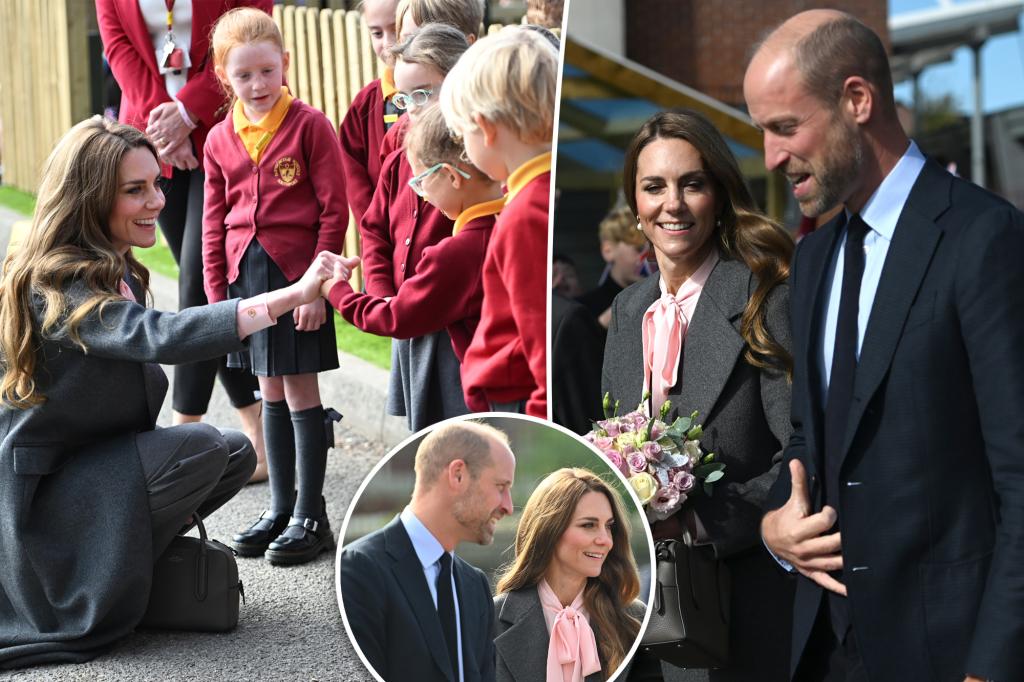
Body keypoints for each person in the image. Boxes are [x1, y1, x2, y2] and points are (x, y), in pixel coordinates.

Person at [0, 117, 350, 668]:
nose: (158, 201)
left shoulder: (122, 270)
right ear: (90, 197)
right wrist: (290, 296)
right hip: (44, 507)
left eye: (157, 184)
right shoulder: (61, 281)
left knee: (234, 453)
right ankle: (86, 575)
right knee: (205, 446)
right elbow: (161, 336)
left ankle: (120, 564)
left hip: (91, 473)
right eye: (135, 190)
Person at [745, 11, 1024, 682]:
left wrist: (991, 668)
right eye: (762, 132)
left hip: (948, 655)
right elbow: (807, 439)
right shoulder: (811, 261)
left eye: (785, 127)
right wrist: (775, 529)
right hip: (824, 652)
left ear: (858, 101)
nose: (770, 158)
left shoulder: (984, 240)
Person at [601, 110, 795, 681]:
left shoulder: (766, 297)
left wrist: (697, 526)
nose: (673, 204)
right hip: (641, 611)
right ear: (634, 205)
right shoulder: (628, 310)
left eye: (693, 183)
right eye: (654, 186)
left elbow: (799, 458)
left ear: (719, 193)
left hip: (741, 604)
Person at [96, 1, 270, 481]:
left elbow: (253, 29)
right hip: (152, 144)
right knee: (208, 284)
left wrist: (188, 113)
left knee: (199, 278)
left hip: (225, 129)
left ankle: (179, 435)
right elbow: (119, 47)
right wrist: (163, 127)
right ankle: (258, 430)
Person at [201, 8, 349, 565]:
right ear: (224, 76)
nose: (258, 85)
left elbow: (335, 213)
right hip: (248, 283)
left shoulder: (310, 126)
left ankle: (312, 513)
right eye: (245, 76)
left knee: (301, 390)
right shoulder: (219, 138)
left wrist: (316, 289)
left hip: (299, 276)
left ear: (285, 63)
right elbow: (214, 225)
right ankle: (281, 508)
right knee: (270, 392)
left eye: (268, 71)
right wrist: (221, 303)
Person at [323, 104, 502, 368]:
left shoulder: (457, 253)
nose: (423, 194)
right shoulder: (513, 221)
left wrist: (335, 290)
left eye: (420, 182)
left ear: (451, 175)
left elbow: (394, 317)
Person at [360, 20, 475, 431]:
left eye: (425, 93)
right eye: (405, 98)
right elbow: (373, 228)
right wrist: (381, 294)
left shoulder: (473, 162)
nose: (414, 108)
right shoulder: (397, 158)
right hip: (405, 314)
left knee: (455, 424)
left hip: (449, 323)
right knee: (421, 428)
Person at [339, 420, 515, 682]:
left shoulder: (475, 584)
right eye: (501, 487)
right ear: (458, 475)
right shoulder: (359, 569)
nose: (508, 507)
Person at [440, 26, 558, 417]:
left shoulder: (525, 214)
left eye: (462, 133)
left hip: (520, 400)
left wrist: (540, 429)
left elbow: (541, 341)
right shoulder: (540, 194)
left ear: (486, 128)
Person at [493, 468, 649, 682]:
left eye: (609, 527)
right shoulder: (489, 619)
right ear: (549, 530)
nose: (606, 540)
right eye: (588, 525)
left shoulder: (635, 618)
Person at [338, 0, 401, 228]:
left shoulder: (445, 95)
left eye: (397, 29)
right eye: (377, 33)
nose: (389, 43)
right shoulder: (364, 107)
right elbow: (354, 182)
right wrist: (374, 233)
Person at [576, 205, 649, 329]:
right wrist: (600, 326)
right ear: (608, 250)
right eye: (639, 249)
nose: (647, 258)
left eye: (654, 249)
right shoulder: (583, 308)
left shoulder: (667, 301)